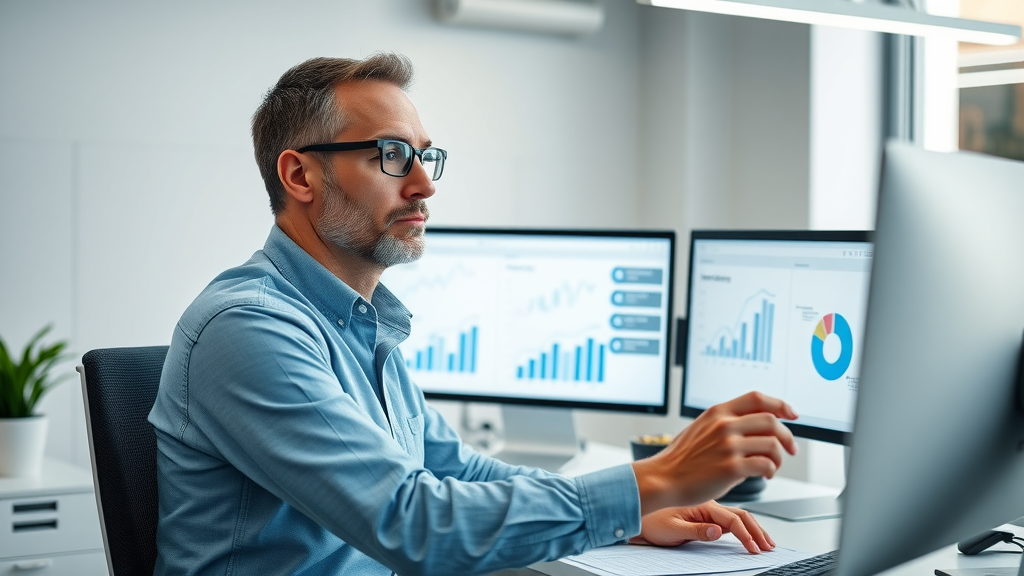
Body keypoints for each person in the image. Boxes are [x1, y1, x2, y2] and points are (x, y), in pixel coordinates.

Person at [148, 53, 799, 576]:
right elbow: (413, 525)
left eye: (425, 157)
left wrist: (635, 510)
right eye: (391, 155)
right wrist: (653, 480)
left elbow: (457, 469)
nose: (426, 184)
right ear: (300, 176)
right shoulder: (249, 328)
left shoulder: (362, 325)